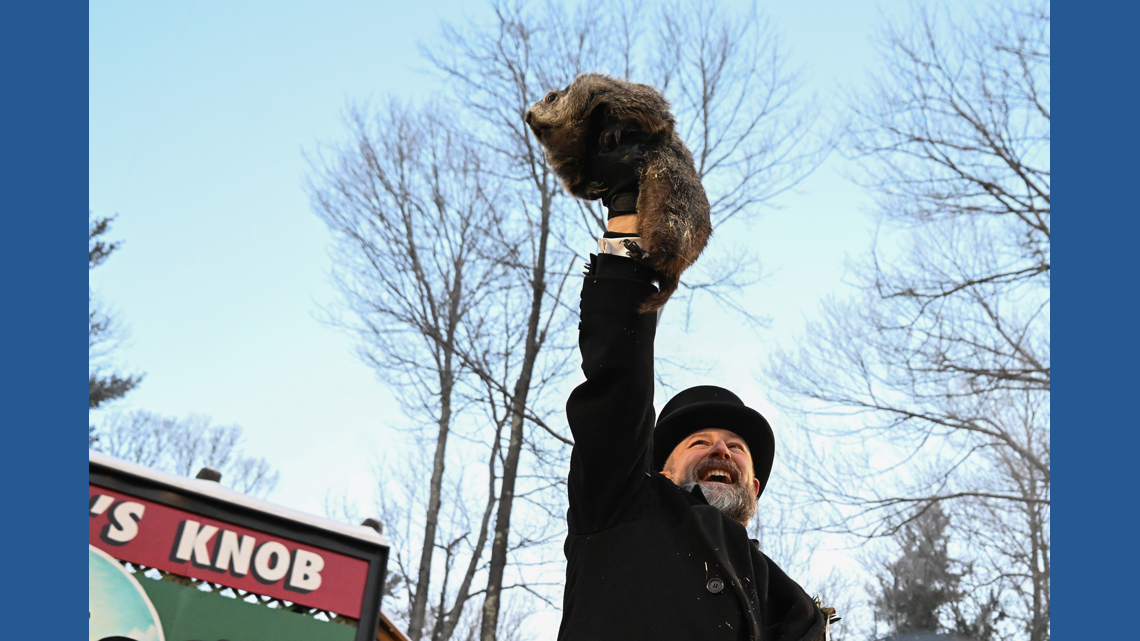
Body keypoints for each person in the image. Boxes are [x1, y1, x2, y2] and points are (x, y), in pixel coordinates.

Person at [557, 212, 828, 640]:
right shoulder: (619, 507)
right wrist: (632, 237)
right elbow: (618, 396)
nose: (720, 450)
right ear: (661, 472)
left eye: (736, 447)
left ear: (753, 489)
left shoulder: (790, 609)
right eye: (699, 441)